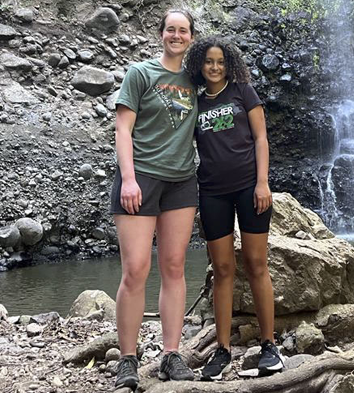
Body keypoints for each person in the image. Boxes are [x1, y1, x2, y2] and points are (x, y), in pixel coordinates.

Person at [185, 36, 284, 381]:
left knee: (257, 264)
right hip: (212, 192)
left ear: (230, 65)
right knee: (223, 269)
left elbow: (260, 138)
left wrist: (262, 182)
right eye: (209, 62)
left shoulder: (243, 91)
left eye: (221, 62)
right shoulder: (196, 103)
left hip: (248, 188)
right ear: (200, 65)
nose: (215, 67)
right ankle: (223, 350)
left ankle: (270, 346)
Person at [110, 9, 198, 389]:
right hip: (141, 177)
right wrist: (128, 179)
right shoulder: (141, 73)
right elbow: (123, 127)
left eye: (183, 31)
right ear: (161, 34)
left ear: (191, 37)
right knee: (136, 270)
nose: (176, 36)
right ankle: (127, 360)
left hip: (182, 181)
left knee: (175, 266)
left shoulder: (197, 80)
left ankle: (170, 354)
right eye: (171, 30)